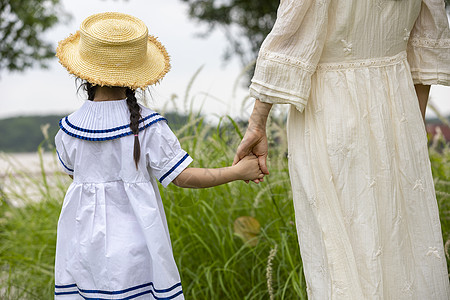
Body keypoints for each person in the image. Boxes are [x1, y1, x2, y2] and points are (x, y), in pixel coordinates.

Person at [233, 0, 450, 299]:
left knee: (341, 251)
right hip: (397, 107)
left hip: (331, 107)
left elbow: (291, 37)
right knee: (400, 245)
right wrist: (408, 125)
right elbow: (425, 48)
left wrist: (257, 122)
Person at [53, 12, 263, 299]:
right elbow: (184, 177)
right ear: (136, 77)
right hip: (136, 244)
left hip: (81, 247)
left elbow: (74, 175)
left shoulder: (68, 129)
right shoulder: (148, 125)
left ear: (83, 73)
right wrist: (237, 172)